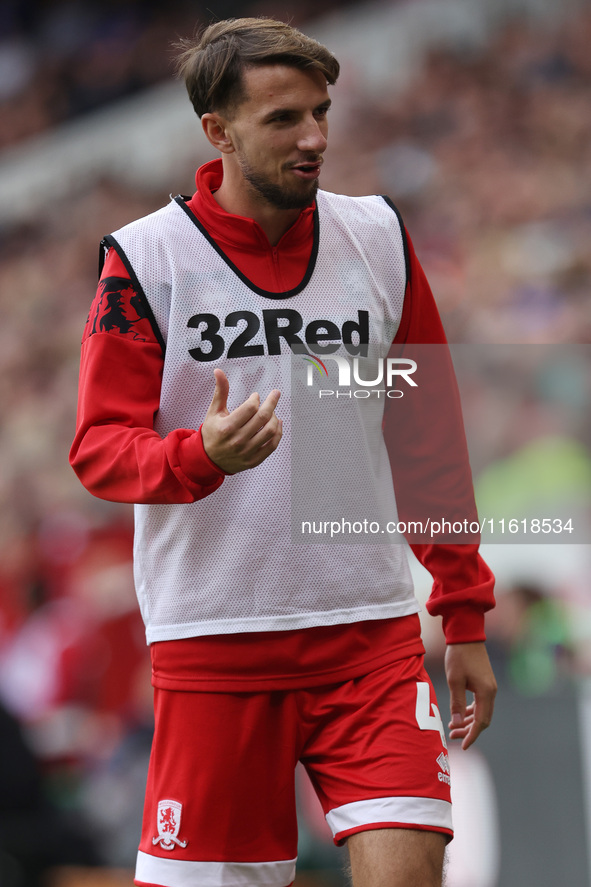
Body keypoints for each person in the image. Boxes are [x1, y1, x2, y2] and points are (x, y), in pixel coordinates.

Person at [70, 17, 497, 887]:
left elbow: (428, 436)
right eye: (282, 120)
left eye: (321, 113)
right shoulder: (146, 259)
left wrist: (462, 611)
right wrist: (200, 456)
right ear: (217, 132)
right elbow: (98, 449)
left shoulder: (377, 235)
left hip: (368, 643)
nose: (313, 139)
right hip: (216, 646)